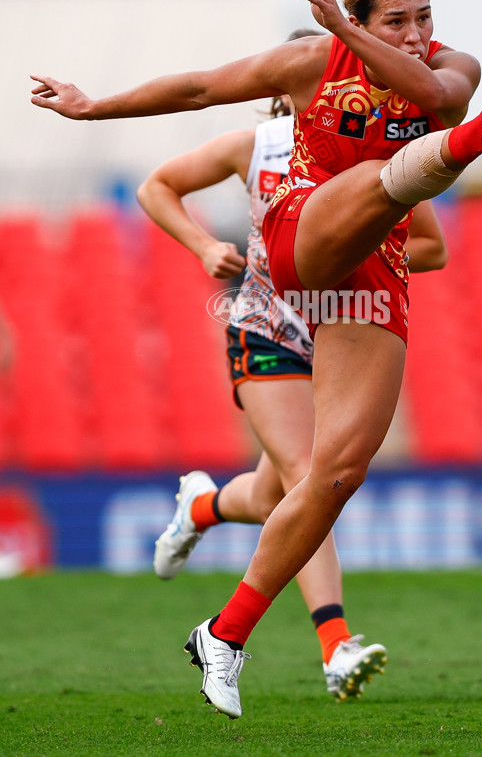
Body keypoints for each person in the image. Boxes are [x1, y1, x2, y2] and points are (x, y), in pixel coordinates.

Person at [30, 0, 482, 718]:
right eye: (395, 20)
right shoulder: (310, 63)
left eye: (423, 16)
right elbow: (200, 87)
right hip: (295, 245)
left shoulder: (452, 66)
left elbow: (436, 96)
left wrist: (366, 38)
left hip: (372, 273)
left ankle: (223, 634)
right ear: (361, 21)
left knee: (334, 475)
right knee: (391, 172)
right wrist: (92, 108)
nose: (416, 33)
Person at [136, 51, 449, 699]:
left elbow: (432, 247)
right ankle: (335, 644)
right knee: (313, 477)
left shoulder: (374, 158)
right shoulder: (255, 146)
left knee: (284, 491)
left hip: (345, 326)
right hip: (268, 330)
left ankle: (202, 505)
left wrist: (366, 246)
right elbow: (155, 185)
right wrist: (203, 246)